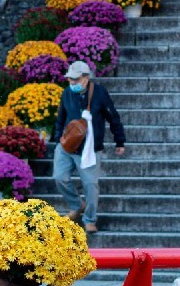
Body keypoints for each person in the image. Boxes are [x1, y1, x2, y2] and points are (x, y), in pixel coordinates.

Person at [51, 61, 126, 234]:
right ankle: (77, 205)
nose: (72, 83)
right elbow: (60, 118)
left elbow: (113, 117)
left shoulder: (99, 93)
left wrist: (119, 141)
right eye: (70, 79)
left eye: (76, 79)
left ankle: (90, 219)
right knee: (59, 177)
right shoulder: (66, 93)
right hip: (67, 145)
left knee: (90, 184)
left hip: (90, 149)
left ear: (86, 78)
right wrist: (57, 139)